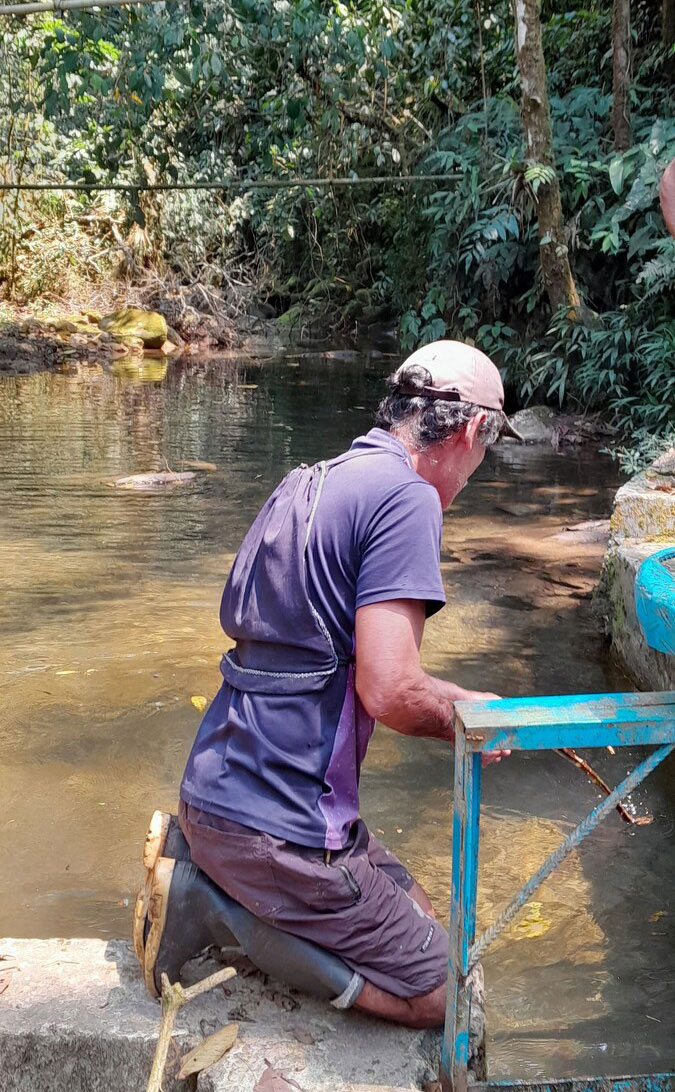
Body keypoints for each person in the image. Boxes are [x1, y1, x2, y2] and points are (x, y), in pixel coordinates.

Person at [140, 340, 520, 1028]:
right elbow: (392, 691)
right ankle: (216, 910)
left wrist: (456, 699)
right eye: (489, 443)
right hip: (281, 831)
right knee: (455, 999)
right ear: (471, 429)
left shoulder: (310, 480)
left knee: (420, 911)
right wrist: (469, 721)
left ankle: (210, 873)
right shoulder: (407, 498)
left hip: (214, 795)